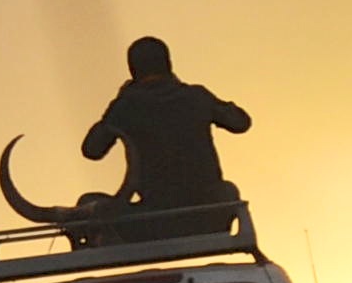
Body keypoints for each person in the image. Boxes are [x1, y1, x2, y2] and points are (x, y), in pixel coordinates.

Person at [80, 37, 251, 205]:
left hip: (158, 215)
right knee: (228, 190)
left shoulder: (126, 106)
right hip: (209, 212)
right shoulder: (196, 96)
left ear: (133, 70)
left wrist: (118, 104)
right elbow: (241, 123)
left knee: (88, 203)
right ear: (168, 63)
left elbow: (92, 150)